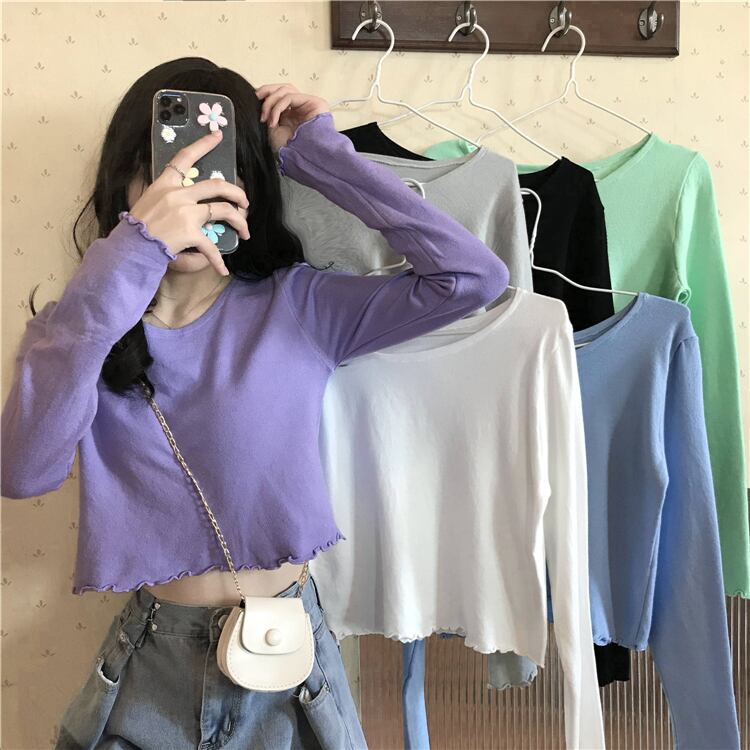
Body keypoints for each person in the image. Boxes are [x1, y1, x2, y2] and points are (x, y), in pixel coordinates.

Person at [1, 57, 509, 749]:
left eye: (218, 172)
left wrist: (323, 157)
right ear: (126, 184)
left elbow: (472, 278)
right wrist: (128, 259)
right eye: (168, 172)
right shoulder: (79, 326)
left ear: (250, 189)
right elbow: (22, 472)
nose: (193, 196)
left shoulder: (297, 305)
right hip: (150, 669)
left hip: (290, 665)